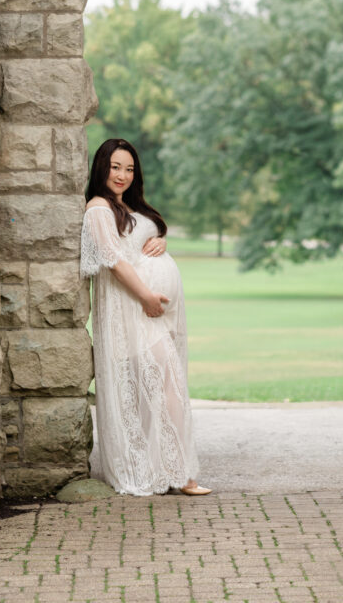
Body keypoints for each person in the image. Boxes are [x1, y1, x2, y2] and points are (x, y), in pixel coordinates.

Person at [80, 137, 211, 497]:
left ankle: (171, 468)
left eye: (129, 168)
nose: (122, 175)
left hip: (150, 315)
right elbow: (115, 261)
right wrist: (147, 297)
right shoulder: (98, 209)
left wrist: (161, 241)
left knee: (164, 388)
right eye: (115, 166)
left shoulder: (129, 207)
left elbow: (144, 237)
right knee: (166, 387)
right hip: (132, 313)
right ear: (101, 167)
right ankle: (180, 474)